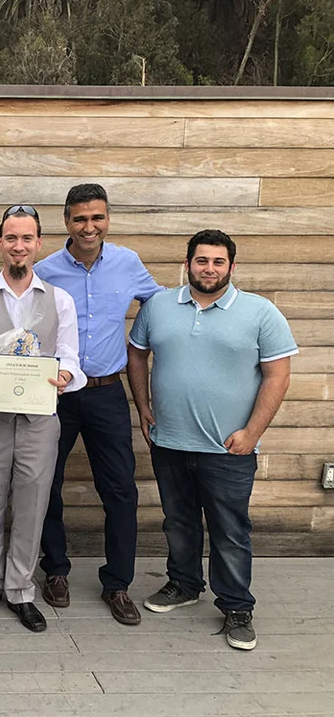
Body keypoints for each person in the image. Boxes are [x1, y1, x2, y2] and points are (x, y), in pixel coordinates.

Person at [128, 229, 297, 651]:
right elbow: (136, 354)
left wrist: (252, 433)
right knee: (179, 521)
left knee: (229, 529)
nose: (209, 269)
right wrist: (143, 406)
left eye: (218, 262)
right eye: (201, 261)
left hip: (229, 448)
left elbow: (278, 376)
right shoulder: (158, 307)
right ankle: (184, 584)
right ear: (187, 264)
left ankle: (237, 606)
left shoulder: (260, 313)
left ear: (231, 267)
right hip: (169, 441)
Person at [34, 183, 164, 626]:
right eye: (80, 219)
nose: (89, 227)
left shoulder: (128, 264)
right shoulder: (46, 270)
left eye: (97, 218)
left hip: (109, 392)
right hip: (57, 393)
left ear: (107, 219)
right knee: (45, 483)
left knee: (121, 490)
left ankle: (118, 584)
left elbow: (160, 305)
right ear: (66, 221)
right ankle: (55, 569)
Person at [0, 205, 85, 632]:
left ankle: (21, 589)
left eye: (27, 238)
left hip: (38, 421)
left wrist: (62, 375)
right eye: (11, 238)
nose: (19, 246)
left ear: (38, 244)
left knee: (32, 505)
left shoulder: (59, 300)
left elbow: (69, 357)